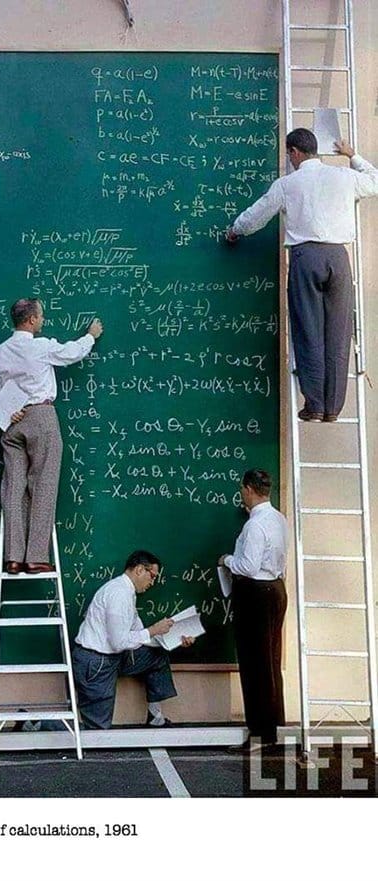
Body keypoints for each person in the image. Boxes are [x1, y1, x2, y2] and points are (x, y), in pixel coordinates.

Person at [225, 128, 378, 422]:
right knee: (338, 333)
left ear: (294, 152)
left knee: (308, 330)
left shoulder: (287, 184)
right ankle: (333, 408)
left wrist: (235, 230)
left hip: (306, 257)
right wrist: (353, 155)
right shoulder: (344, 177)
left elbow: (257, 215)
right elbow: (375, 180)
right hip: (338, 257)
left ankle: (315, 404)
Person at [0, 298, 103, 574]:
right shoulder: (41, 346)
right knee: (44, 485)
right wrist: (91, 336)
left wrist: (6, 410)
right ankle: (36, 556)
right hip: (41, 417)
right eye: (41, 316)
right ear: (31, 320)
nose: (44, 320)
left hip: (11, 422)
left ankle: (13, 557)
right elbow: (72, 353)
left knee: (13, 487)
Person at [72, 549, 194, 729]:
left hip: (113, 657)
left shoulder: (129, 593)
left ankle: (155, 717)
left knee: (156, 656)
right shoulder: (118, 594)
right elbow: (119, 642)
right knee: (97, 731)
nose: (153, 582)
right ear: (139, 570)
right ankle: (40, 723)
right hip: (96, 663)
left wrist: (175, 638)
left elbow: (141, 635)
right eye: (152, 576)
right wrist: (152, 630)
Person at [218, 468, 288, 750]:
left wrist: (226, 560)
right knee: (270, 660)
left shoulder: (254, 526)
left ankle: (259, 733)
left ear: (248, 489)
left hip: (255, 593)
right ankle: (273, 728)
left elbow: (247, 566)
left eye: (241, 489)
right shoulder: (279, 518)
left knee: (254, 663)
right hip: (276, 589)